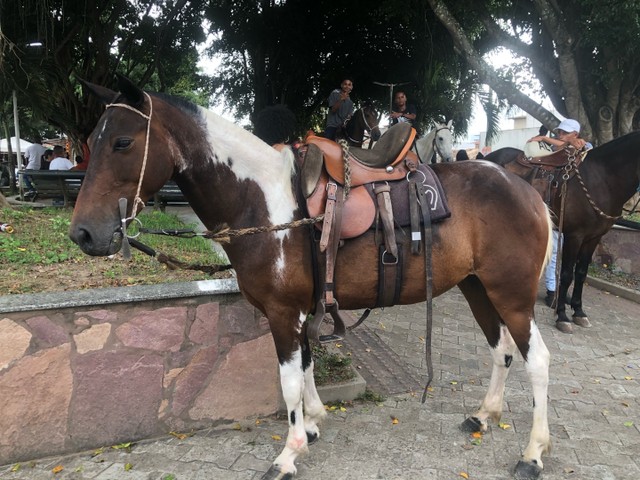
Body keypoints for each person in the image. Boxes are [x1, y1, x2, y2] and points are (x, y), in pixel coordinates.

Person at [529, 119, 594, 314]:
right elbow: (559, 144)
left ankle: (555, 288)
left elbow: (573, 145)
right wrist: (545, 138)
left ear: (576, 134)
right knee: (555, 248)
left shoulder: (585, 149)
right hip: (557, 208)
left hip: (573, 210)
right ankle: (552, 290)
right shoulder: (558, 147)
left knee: (560, 250)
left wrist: (545, 138)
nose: (561, 135)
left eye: (565, 133)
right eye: (559, 132)